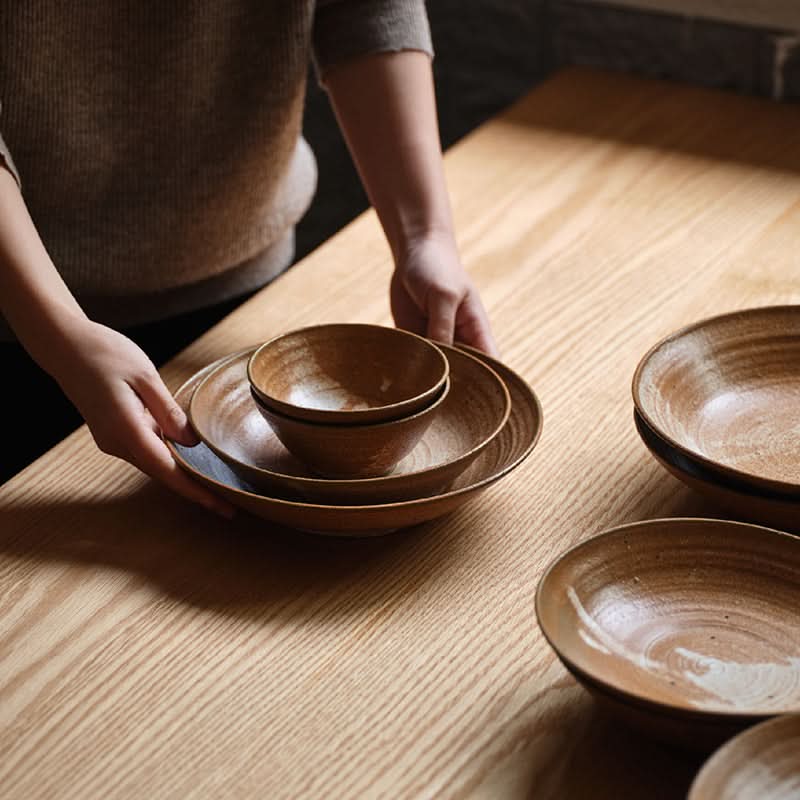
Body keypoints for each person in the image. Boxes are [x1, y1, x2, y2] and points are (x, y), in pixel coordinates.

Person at [0, 2, 497, 516]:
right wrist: (57, 332)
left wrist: (425, 237)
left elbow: (366, 10)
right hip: (23, 322)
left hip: (250, 294)